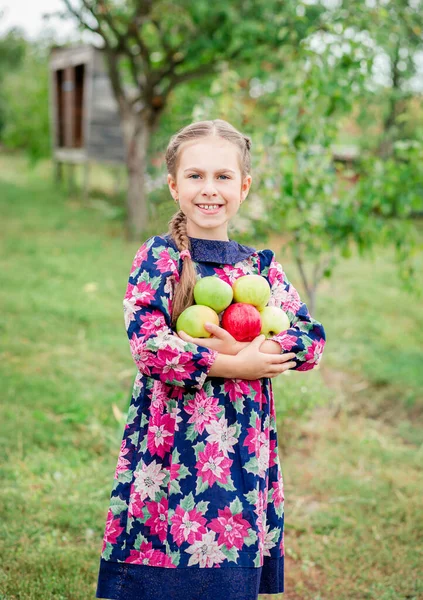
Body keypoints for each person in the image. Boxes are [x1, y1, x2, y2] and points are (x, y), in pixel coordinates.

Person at [95, 119, 326, 600]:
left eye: (223, 177)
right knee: (159, 559)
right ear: (173, 185)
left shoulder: (259, 269)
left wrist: (259, 349)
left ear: (243, 186)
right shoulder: (160, 259)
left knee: (226, 561)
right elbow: (150, 347)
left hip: (239, 448)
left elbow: (310, 338)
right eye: (196, 176)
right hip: (172, 448)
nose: (209, 190)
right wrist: (231, 365)